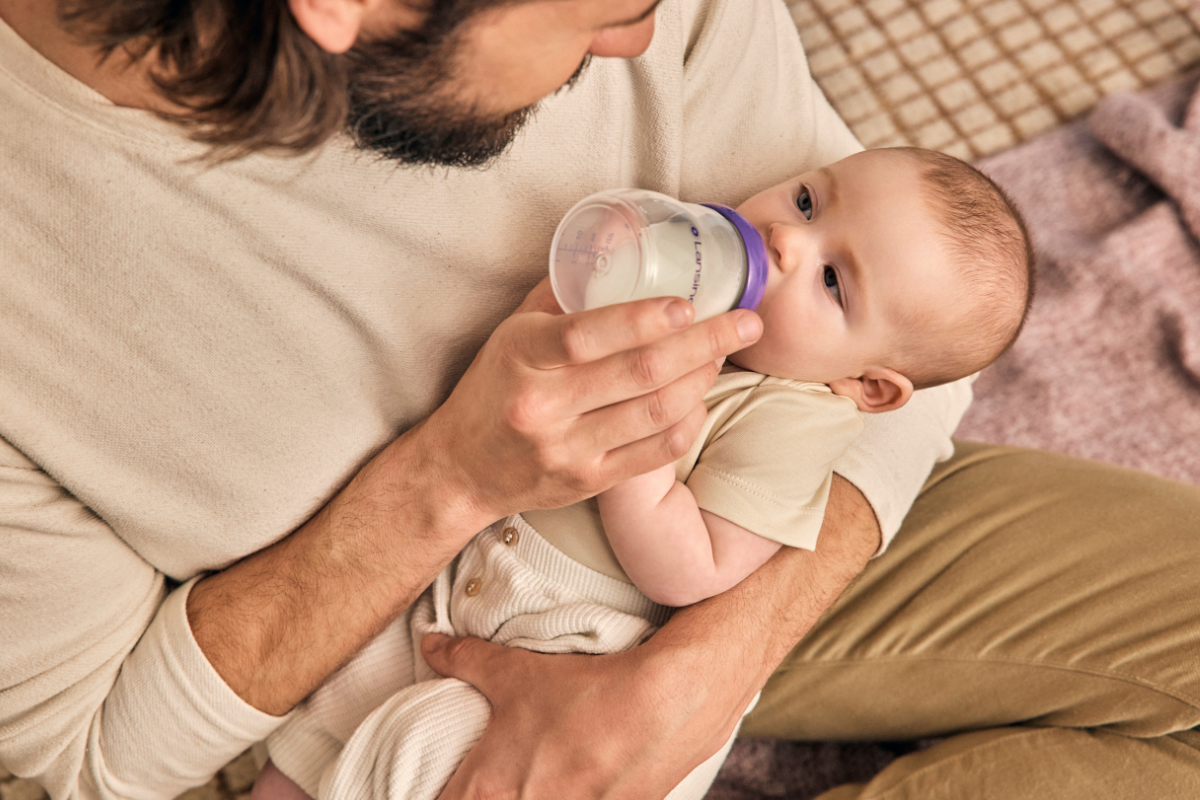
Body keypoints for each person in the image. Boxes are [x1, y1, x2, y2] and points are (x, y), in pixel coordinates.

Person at [0, 1, 1196, 799]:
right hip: (360, 662)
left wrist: (698, 671)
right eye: (599, 10)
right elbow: (90, 753)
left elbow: (925, 334)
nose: (642, 31)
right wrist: (451, 478)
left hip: (742, 506)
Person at [254, 144, 1033, 800]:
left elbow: (696, 570)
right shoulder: (686, 300)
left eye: (833, 281)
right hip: (466, 573)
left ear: (868, 386)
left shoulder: (796, 418)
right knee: (334, 706)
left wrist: (643, 456)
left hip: (576, 645)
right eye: (806, 200)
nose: (787, 241)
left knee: (425, 747)